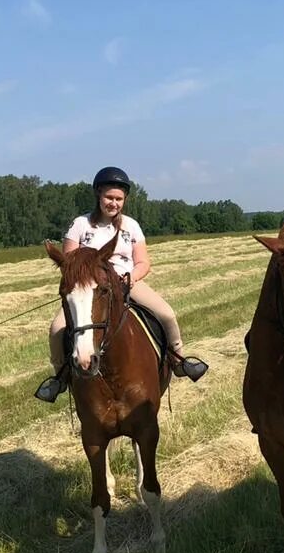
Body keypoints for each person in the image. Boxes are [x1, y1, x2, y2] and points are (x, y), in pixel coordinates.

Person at [35, 166, 207, 403]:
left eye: (118, 199)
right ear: (98, 195)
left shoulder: (131, 226)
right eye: (109, 197)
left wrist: (132, 277)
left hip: (127, 283)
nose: (113, 203)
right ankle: (59, 378)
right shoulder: (80, 225)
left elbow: (144, 261)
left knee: (166, 314)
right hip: (90, 290)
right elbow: (69, 264)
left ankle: (179, 360)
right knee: (57, 329)